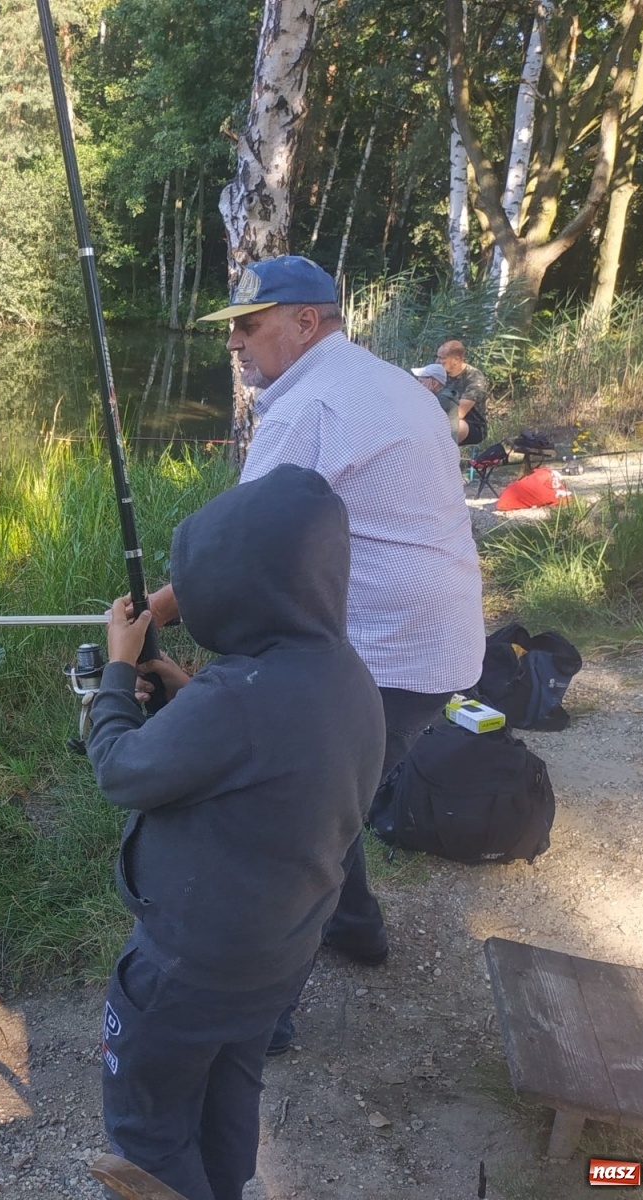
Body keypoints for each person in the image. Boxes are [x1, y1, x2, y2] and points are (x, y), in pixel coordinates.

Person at [142, 255, 484, 1054]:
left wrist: (146, 615)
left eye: (249, 324)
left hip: (389, 651)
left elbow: (242, 551)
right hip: (437, 638)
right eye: (232, 327)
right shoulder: (390, 381)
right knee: (336, 798)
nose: (235, 341)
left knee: (292, 824)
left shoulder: (309, 409)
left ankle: (265, 1013)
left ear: (305, 321)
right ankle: (356, 927)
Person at [91, 464, 385, 1200]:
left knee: (149, 1130)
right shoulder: (349, 675)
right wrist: (187, 689)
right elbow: (271, 748)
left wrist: (118, 675)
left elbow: (121, 770)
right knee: (230, 1094)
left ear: (240, 592)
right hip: (278, 957)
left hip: (186, 969)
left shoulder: (234, 702)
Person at [436, 339, 488, 446]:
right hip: (440, 417)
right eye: (437, 357)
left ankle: (445, 454)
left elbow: (459, 413)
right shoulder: (438, 373)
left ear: (456, 360)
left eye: (442, 358)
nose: (437, 361)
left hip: (471, 424)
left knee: (453, 427)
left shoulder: (474, 378)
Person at [411, 362, 468, 443]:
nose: (418, 385)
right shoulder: (441, 396)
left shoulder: (443, 399)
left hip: (442, 445)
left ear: (434, 383)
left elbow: (424, 422)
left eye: (421, 382)